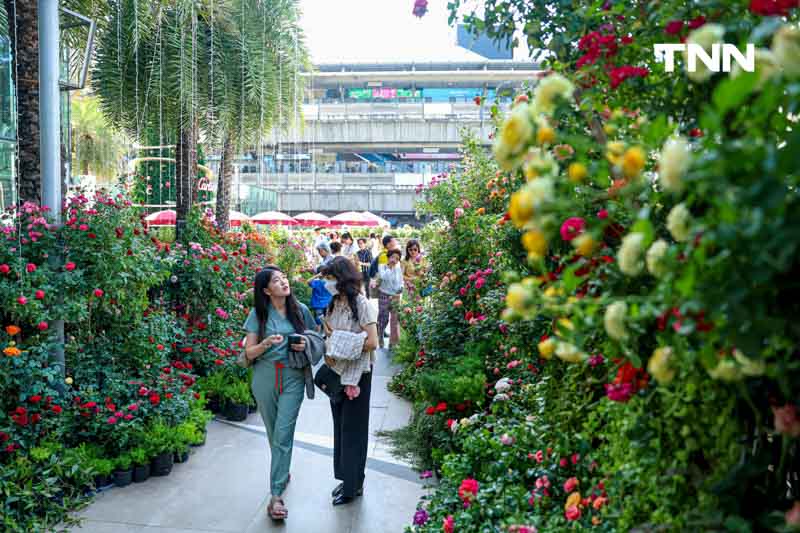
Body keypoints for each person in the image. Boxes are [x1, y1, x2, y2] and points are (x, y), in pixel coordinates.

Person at [243, 267, 317, 521]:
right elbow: (248, 353)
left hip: (293, 376)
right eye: (277, 280)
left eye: (284, 278)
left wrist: (304, 343)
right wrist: (265, 344)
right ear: (266, 290)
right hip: (264, 377)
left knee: (283, 434)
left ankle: (275, 496)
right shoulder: (258, 314)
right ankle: (282, 472)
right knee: (275, 434)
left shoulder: (301, 311)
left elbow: (316, 338)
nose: (284, 282)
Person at [319, 257, 379, 506]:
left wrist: (340, 341)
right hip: (337, 372)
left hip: (358, 375)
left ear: (341, 279)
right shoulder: (334, 304)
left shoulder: (362, 304)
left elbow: (373, 342)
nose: (326, 283)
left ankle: (353, 487)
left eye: (329, 278)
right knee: (341, 428)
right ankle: (348, 479)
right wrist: (331, 342)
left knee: (353, 430)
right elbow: (328, 336)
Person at [376, 249, 403, 349]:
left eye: (397, 258)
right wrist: (389, 267)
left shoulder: (398, 268)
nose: (394, 260)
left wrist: (401, 288)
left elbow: (400, 281)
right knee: (384, 318)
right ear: (388, 257)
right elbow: (384, 277)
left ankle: (393, 342)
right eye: (393, 257)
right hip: (384, 295)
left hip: (395, 296)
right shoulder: (382, 267)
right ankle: (380, 335)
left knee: (395, 319)